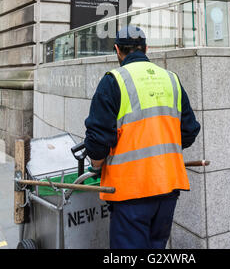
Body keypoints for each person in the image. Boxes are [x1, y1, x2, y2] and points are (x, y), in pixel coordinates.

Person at [84, 25, 201, 249]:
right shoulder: (171, 79)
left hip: (130, 192)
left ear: (117, 50)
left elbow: (98, 140)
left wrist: (96, 164)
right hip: (167, 189)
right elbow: (189, 130)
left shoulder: (113, 81)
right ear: (147, 48)